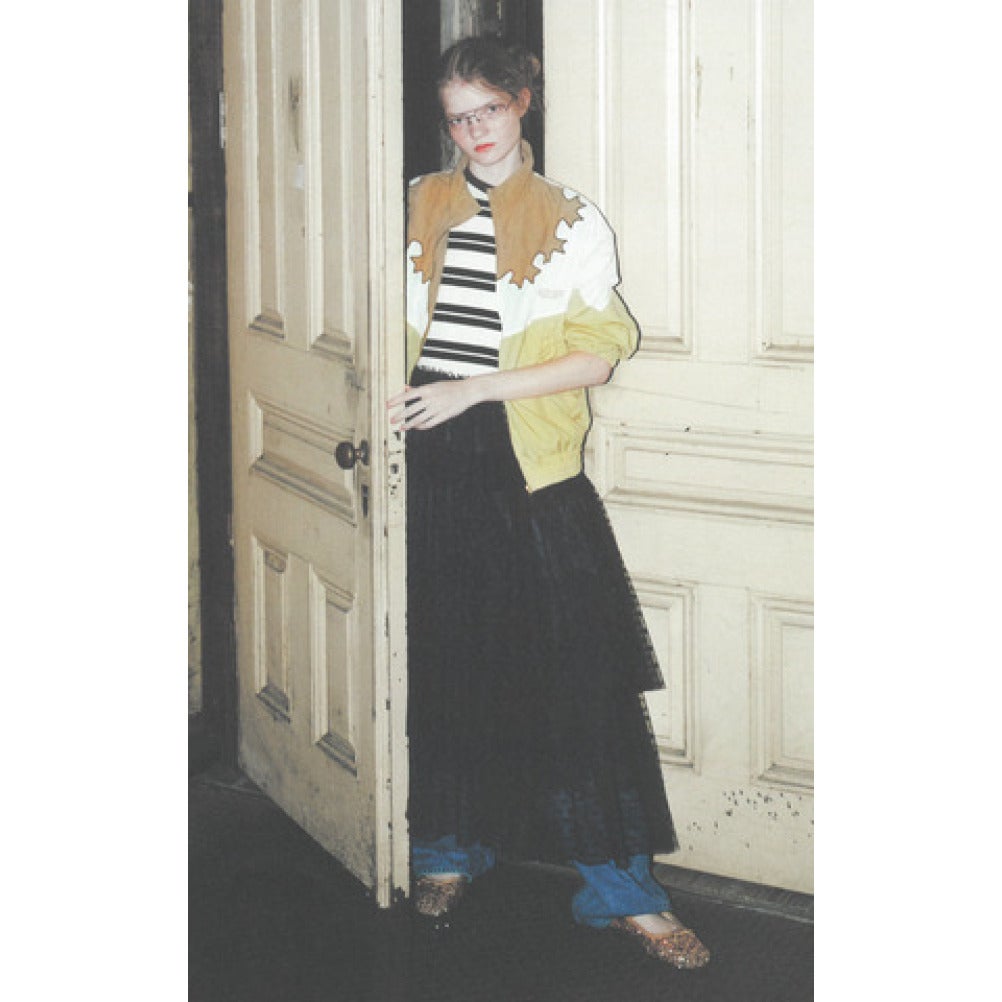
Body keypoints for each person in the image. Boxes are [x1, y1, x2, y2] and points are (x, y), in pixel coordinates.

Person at [388, 35, 709, 970]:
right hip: (427, 460)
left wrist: (473, 390)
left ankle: (622, 892)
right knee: (443, 661)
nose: (474, 131)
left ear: (522, 101)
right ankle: (447, 849)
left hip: (526, 464)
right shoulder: (415, 202)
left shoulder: (570, 219)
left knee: (577, 682)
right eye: (458, 117)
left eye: (489, 109)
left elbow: (599, 355)